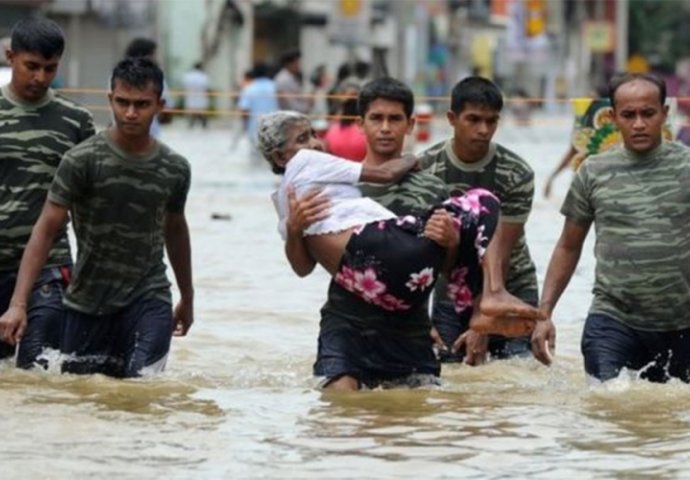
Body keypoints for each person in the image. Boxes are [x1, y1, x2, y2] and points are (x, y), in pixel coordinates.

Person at [280, 78, 540, 390]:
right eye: (377, 119)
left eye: (395, 119)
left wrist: (451, 242)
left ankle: (490, 297)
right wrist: (295, 230)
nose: (386, 128)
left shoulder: (432, 187)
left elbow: (445, 268)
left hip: (411, 329)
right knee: (341, 416)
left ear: (410, 125)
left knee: (415, 427)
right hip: (348, 324)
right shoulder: (338, 188)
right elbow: (302, 268)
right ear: (360, 124)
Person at [0, 57, 193, 378]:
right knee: (85, 397)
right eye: (123, 102)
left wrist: (187, 296)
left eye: (142, 104)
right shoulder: (81, 160)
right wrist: (19, 303)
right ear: (110, 101)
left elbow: (176, 229)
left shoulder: (175, 167)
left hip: (150, 297)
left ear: (160, 105)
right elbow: (45, 230)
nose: (131, 113)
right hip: (87, 304)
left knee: (144, 390)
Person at [534, 73, 690, 383]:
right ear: (613, 117)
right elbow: (568, 245)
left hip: (682, 323)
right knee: (606, 404)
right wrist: (544, 314)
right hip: (613, 321)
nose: (639, 124)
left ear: (665, 114)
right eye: (628, 115)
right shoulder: (593, 171)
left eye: (648, 113)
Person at [417, 76, 540, 365]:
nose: (483, 130)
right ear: (451, 118)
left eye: (491, 121)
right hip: (452, 288)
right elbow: (417, 251)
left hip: (511, 285)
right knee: (448, 379)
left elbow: (502, 251)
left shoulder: (517, 173)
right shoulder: (426, 170)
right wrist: (417, 319)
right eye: (473, 119)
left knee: (514, 379)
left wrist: (484, 320)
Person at [0, 17, 95, 368]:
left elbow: (91, 202)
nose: (40, 77)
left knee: (38, 371)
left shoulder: (76, 121)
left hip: (50, 267)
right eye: (32, 66)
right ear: (10, 57)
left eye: (50, 68)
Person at [123, 37, 172, 137]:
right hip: (149, 135)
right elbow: (167, 110)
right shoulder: (156, 77)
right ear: (146, 55)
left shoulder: (116, 77)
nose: (156, 58)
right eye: (154, 54)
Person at [237, 62, 278, 162]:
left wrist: (244, 125)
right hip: (274, 127)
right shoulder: (275, 87)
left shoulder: (249, 89)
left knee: (255, 158)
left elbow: (244, 109)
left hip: (254, 128)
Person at [323, 82, 367, 161]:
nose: (350, 97)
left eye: (354, 94)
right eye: (348, 94)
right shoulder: (365, 132)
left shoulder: (333, 131)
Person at [274, 49, 312, 114]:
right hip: (288, 116)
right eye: (296, 62)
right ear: (288, 64)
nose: (299, 65)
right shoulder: (283, 79)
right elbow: (289, 103)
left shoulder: (292, 77)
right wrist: (305, 108)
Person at [182, 61, 210, 129]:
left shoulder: (188, 75)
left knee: (192, 110)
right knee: (202, 111)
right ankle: (204, 125)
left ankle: (191, 124)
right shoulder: (203, 76)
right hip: (201, 95)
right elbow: (207, 86)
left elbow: (184, 85)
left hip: (191, 95)